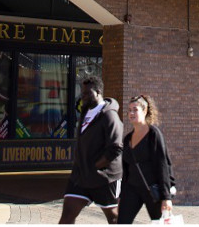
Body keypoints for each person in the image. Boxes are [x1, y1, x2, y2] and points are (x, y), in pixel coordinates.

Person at [60, 76, 123, 224]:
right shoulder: (85, 112)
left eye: (88, 93)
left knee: (114, 218)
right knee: (68, 215)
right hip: (80, 176)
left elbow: (116, 146)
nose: (84, 97)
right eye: (82, 94)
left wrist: (97, 166)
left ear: (98, 92)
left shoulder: (109, 115)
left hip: (104, 178)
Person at [117, 94, 175, 224]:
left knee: (158, 222)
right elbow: (126, 171)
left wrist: (166, 197)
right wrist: (122, 196)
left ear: (144, 111)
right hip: (132, 189)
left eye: (135, 109)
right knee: (122, 222)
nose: (131, 113)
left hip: (152, 189)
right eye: (129, 110)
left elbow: (163, 166)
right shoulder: (127, 139)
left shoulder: (154, 134)